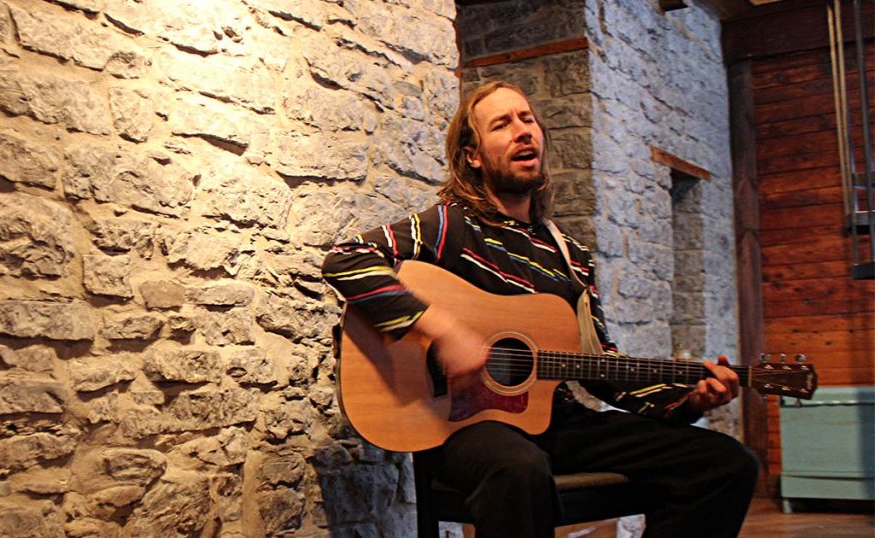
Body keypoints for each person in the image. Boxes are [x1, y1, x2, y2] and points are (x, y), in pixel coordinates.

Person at [321, 80, 758, 537]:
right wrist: (444, 332)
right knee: (518, 469)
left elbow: (601, 369)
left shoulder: (570, 256)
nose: (522, 131)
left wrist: (688, 400)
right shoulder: (447, 225)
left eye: (527, 119)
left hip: (556, 421)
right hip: (462, 426)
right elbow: (347, 258)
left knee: (725, 464)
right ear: (473, 154)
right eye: (502, 124)